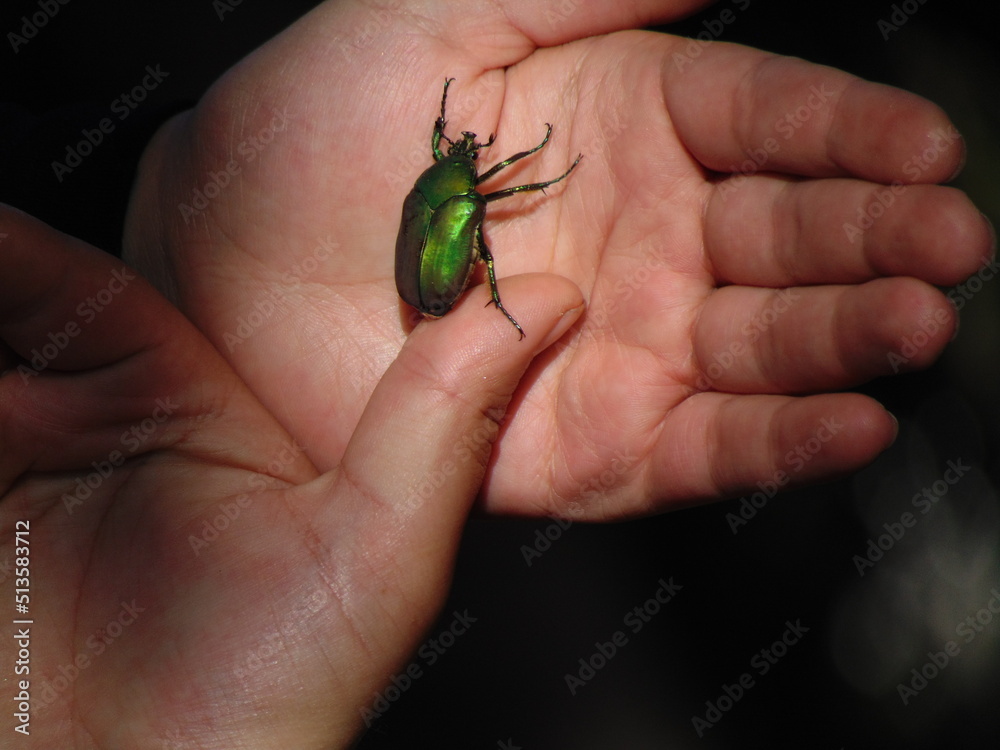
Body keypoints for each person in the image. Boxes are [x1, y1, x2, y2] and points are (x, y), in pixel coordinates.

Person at [0, 0, 993, 746]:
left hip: (399, 269)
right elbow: (481, 182)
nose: (466, 152)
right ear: (455, 159)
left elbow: (453, 171)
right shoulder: (464, 186)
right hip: (428, 279)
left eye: (464, 149)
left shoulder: (439, 180)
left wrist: (147, 207)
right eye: (462, 146)